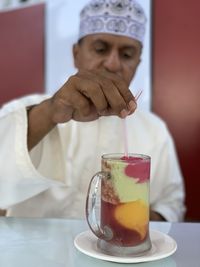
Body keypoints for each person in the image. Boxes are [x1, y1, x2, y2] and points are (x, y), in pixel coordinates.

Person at [0, 0, 185, 221]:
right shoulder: (25, 111)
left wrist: (133, 217)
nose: (113, 64)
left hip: (118, 254)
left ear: (138, 63)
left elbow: (171, 206)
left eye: (127, 55)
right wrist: (51, 112)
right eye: (100, 49)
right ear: (76, 54)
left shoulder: (154, 131)